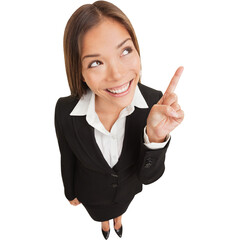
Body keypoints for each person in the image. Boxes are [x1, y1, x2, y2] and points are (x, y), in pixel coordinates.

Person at [54, 1, 184, 239]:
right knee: (101, 215)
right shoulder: (65, 110)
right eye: (96, 63)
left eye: (125, 51)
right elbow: (67, 155)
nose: (117, 75)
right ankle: (105, 223)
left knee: (119, 209)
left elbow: (148, 176)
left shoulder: (155, 103)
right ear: (79, 72)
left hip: (127, 191)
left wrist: (155, 137)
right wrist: (69, 191)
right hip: (91, 193)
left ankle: (118, 219)